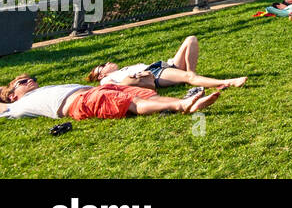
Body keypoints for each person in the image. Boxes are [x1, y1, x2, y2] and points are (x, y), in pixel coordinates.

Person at [1, 75, 220, 120]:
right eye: (22, 82)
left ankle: (182, 102)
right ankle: (183, 105)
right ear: (12, 97)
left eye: (32, 78)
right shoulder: (19, 106)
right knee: (132, 104)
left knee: (145, 95)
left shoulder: (41, 90)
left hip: (95, 89)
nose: (30, 81)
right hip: (81, 102)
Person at [87, 35, 247, 91]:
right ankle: (229, 82)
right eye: (103, 65)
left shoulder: (120, 69)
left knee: (191, 39)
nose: (107, 62)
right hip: (154, 74)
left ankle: (193, 75)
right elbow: (109, 87)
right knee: (188, 77)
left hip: (163, 66)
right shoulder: (105, 79)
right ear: (101, 73)